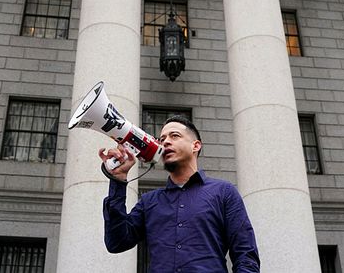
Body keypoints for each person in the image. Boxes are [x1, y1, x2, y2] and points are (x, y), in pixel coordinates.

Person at [99, 115, 260, 273]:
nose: (165, 142)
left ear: (195, 146)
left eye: (174, 136)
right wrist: (118, 181)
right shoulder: (148, 201)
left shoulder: (224, 192)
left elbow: (246, 256)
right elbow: (116, 242)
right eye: (161, 139)